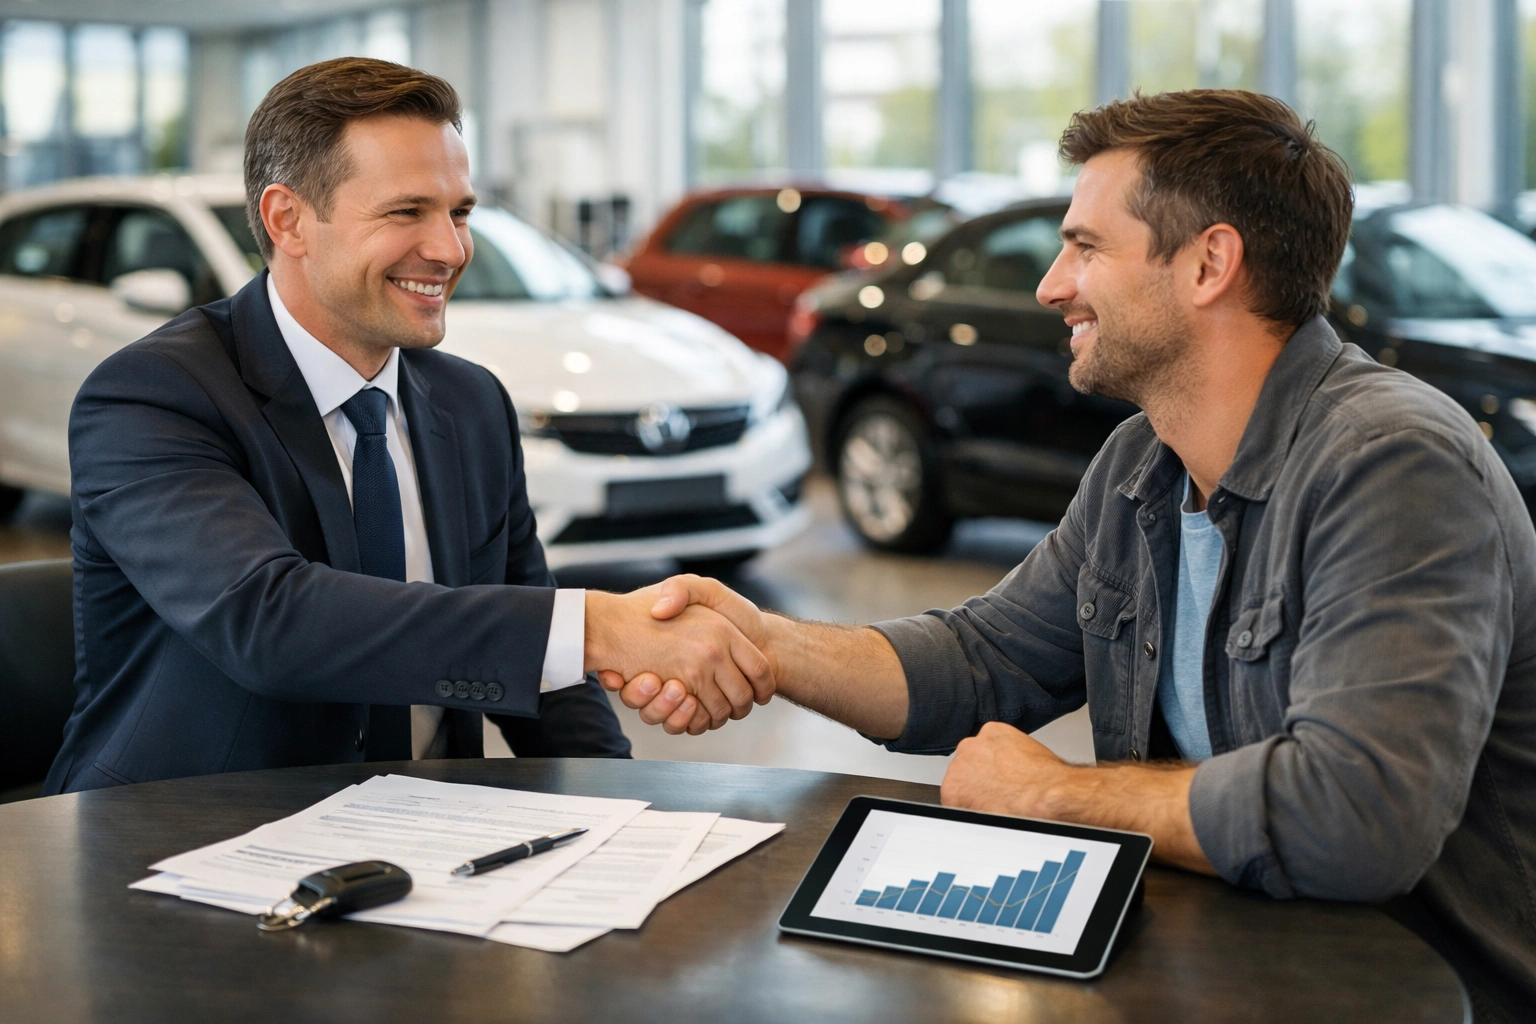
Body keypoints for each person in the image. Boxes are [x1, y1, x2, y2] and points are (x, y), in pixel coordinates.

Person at [608, 90, 1536, 1022]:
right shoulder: (1143, 464)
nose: (1051, 285)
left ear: (1211, 263)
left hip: (1414, 993)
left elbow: (1356, 816)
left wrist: (1052, 792)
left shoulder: (1394, 466)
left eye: (1086, 247)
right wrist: (764, 646)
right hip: (1226, 971)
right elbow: (984, 660)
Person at [45, 57, 770, 794]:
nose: (452, 250)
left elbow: (536, 647)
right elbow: (269, 622)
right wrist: (599, 629)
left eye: (459, 212)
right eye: (407, 212)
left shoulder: (471, 403)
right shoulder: (154, 396)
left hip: (424, 840)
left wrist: (624, 809)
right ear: (287, 220)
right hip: (176, 842)